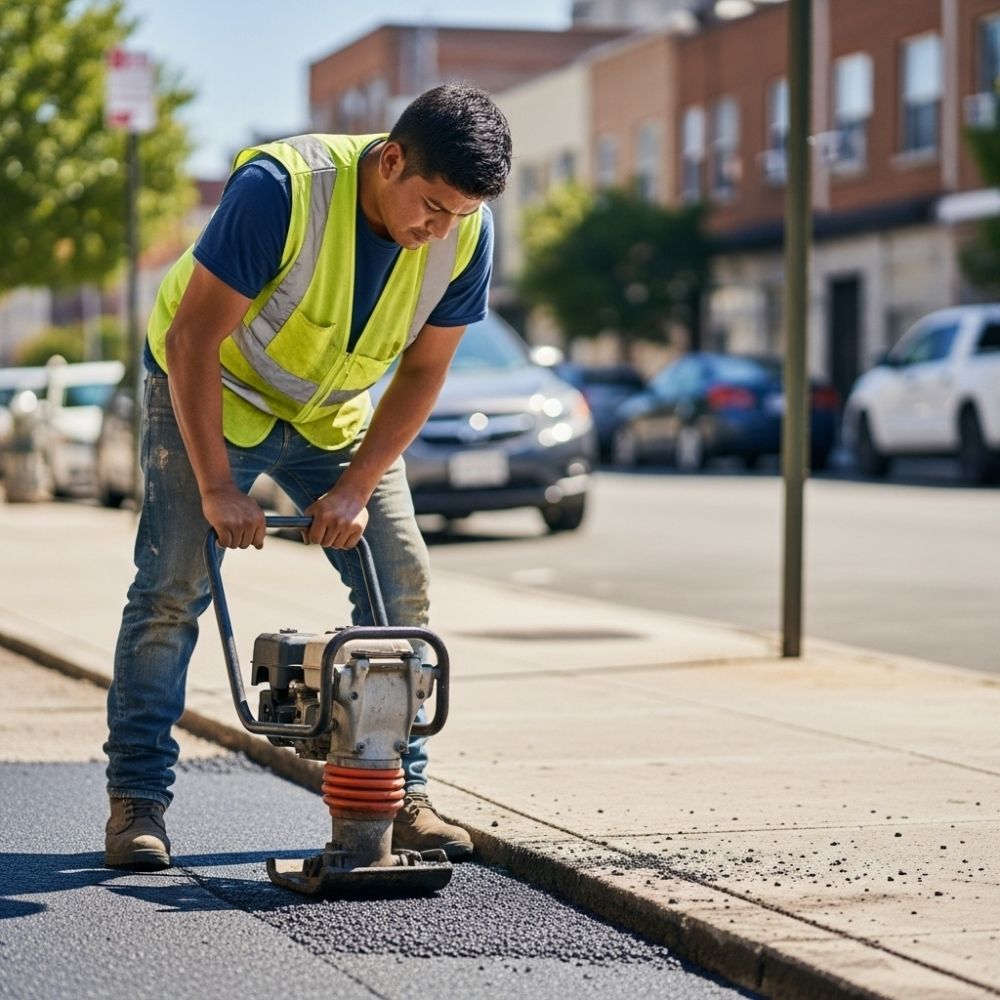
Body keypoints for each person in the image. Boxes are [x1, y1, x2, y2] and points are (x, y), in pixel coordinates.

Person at [103, 84, 512, 870]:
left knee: (401, 581)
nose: (439, 231)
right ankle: (137, 801)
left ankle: (403, 794)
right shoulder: (281, 193)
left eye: (459, 215)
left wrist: (357, 485)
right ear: (390, 160)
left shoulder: (467, 232)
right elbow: (192, 340)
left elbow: (424, 372)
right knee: (172, 587)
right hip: (213, 392)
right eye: (431, 206)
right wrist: (220, 487)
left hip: (330, 415)